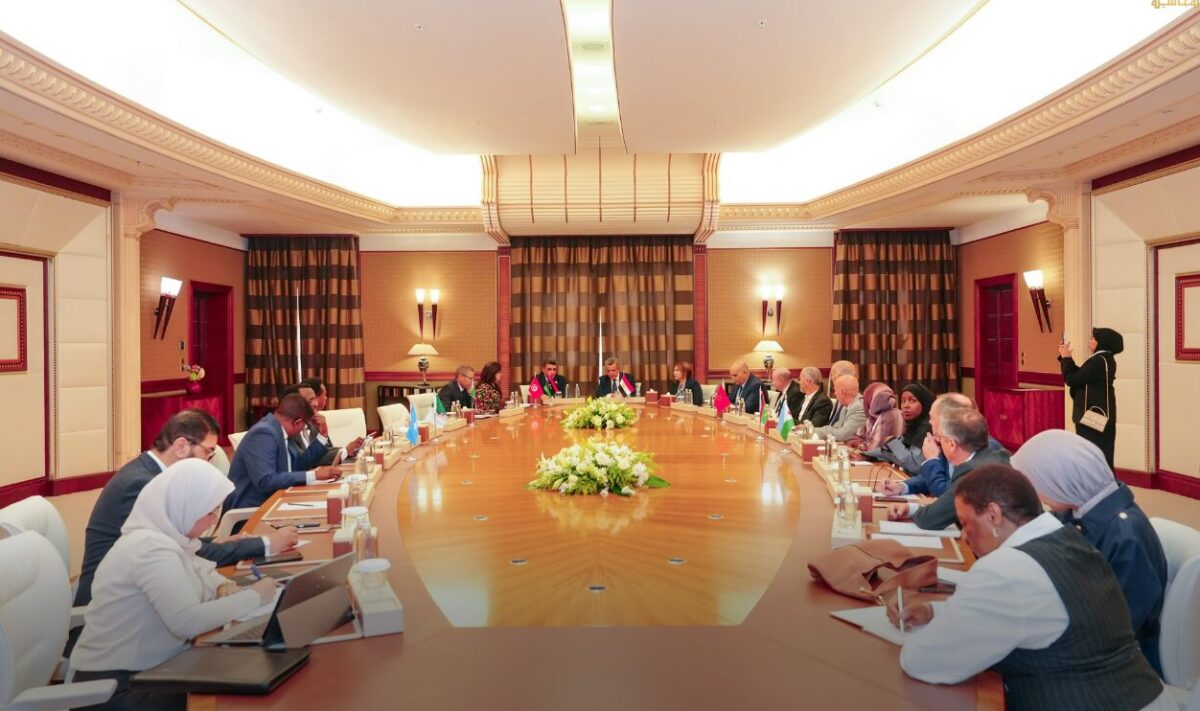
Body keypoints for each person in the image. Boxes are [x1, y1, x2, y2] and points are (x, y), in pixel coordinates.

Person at [889, 464, 1172, 711]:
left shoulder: (1006, 569)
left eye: (965, 523)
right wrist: (935, 612)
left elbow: (925, 661)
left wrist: (931, 629)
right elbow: (1031, 613)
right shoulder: (1070, 540)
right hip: (1142, 696)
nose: (963, 535)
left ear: (993, 515)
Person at [70, 459, 279, 710]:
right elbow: (187, 622)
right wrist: (255, 596)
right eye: (209, 512)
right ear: (184, 506)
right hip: (119, 690)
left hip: (153, 669)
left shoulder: (171, 538)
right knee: (239, 696)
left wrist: (223, 586)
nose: (213, 521)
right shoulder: (150, 548)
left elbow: (204, 572)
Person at [76, 409, 297, 608]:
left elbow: (178, 545)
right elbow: (180, 554)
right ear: (181, 446)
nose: (209, 461)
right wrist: (265, 544)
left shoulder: (152, 473)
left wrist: (220, 541)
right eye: (208, 452)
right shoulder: (143, 484)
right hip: (119, 606)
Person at [1011, 430, 1167, 676]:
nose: (1036, 493)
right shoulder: (1077, 513)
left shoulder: (1126, 536)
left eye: (1037, 483)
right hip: (1083, 635)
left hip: (1119, 666)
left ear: (1063, 482)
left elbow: (1118, 627)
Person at [888, 407, 1009, 530]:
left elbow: (931, 519)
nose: (938, 442)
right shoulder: (992, 456)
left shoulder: (973, 472)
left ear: (952, 444)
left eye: (940, 438)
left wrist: (910, 509)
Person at [226, 393, 340, 513]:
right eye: (304, 425)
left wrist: (322, 436)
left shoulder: (281, 432)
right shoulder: (263, 433)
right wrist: (314, 475)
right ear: (297, 423)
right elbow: (266, 481)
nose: (302, 430)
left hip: (279, 501)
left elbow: (299, 465)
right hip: (252, 510)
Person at [1059, 327, 1123, 468]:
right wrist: (1066, 358)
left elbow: (1072, 379)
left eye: (1093, 338)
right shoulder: (1104, 359)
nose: (1090, 340)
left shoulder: (1099, 360)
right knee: (1100, 455)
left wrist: (1066, 359)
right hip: (1098, 416)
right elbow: (1081, 376)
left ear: (1102, 342)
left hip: (1092, 417)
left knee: (1091, 456)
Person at [297, 376, 363, 466]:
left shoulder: (312, 422)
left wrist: (346, 450)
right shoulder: (294, 430)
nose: (326, 398)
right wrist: (345, 451)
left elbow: (326, 450)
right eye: (311, 400)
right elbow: (311, 459)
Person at [813, 375, 866, 441]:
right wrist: (812, 430)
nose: (835, 394)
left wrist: (817, 432)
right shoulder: (846, 406)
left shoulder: (859, 407)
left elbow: (842, 435)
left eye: (835, 390)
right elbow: (834, 428)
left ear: (842, 392)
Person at [859, 382, 903, 451]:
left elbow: (875, 449)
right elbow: (860, 436)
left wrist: (861, 445)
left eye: (866, 398)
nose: (864, 402)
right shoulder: (874, 416)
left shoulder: (889, 416)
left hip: (887, 458)